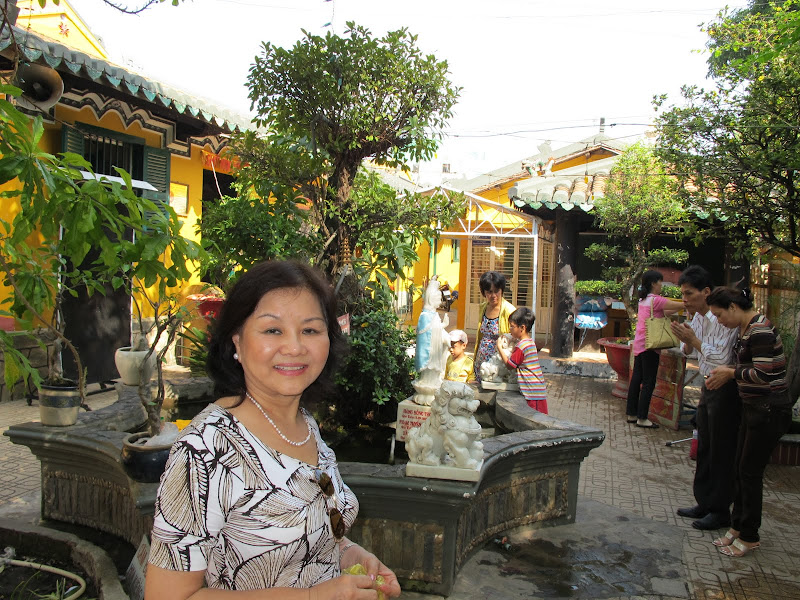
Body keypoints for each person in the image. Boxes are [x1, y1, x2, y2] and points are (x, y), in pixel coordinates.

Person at [144, 260, 401, 599]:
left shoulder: (304, 424)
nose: (294, 347)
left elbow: (312, 538)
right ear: (236, 341)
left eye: (310, 330)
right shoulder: (206, 449)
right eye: (272, 330)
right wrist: (312, 598)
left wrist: (351, 556)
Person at [705, 286, 792, 557]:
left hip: (769, 410)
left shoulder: (760, 330)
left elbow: (763, 374)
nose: (720, 321)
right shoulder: (746, 329)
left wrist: (731, 373)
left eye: (720, 315)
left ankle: (750, 535)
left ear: (733, 307)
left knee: (750, 473)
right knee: (740, 469)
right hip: (753, 408)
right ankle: (737, 527)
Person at [670, 266, 741, 531]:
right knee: (705, 447)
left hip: (725, 387)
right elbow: (687, 351)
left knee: (721, 450)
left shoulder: (722, 317)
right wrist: (687, 339)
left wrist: (695, 341)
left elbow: (722, 356)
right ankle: (704, 501)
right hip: (708, 385)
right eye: (683, 294)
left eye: (689, 293)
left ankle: (720, 509)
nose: (685, 299)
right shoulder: (698, 318)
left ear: (706, 292)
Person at [626, 270, 684, 428]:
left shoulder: (643, 300)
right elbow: (677, 305)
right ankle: (642, 418)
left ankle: (632, 414)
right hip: (651, 345)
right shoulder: (656, 300)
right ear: (653, 283)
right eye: (660, 282)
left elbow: (665, 312)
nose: (661, 285)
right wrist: (688, 302)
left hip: (640, 344)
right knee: (649, 382)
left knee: (636, 379)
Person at [496, 307, 548, 413]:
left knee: (534, 417)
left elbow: (510, 365)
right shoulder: (529, 342)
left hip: (532, 392)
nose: (510, 329)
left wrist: (499, 348)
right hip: (537, 390)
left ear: (522, 328)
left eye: (512, 326)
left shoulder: (521, 346)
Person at [473, 271, 516, 382]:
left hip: (498, 365)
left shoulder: (509, 311)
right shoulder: (483, 307)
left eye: (496, 291)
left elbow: (516, 338)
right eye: (489, 292)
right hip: (481, 362)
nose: (493, 296)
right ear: (484, 292)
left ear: (502, 290)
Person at [415, 276, 450, 375]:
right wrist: (443, 325)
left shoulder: (433, 314)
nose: (440, 302)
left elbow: (434, 328)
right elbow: (428, 332)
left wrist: (442, 326)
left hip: (435, 353)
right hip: (428, 355)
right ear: (431, 300)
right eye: (438, 299)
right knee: (428, 375)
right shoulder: (425, 316)